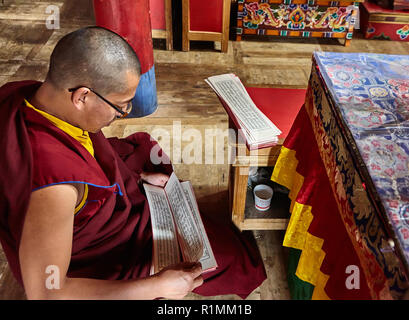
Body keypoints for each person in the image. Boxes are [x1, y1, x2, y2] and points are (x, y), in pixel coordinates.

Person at [0, 26, 266, 300]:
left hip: (105, 199)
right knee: (234, 259)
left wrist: (135, 178)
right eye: (120, 106)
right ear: (82, 96)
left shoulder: (19, 94)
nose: (124, 114)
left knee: (149, 159)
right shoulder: (54, 187)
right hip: (98, 254)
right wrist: (159, 286)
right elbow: (45, 293)